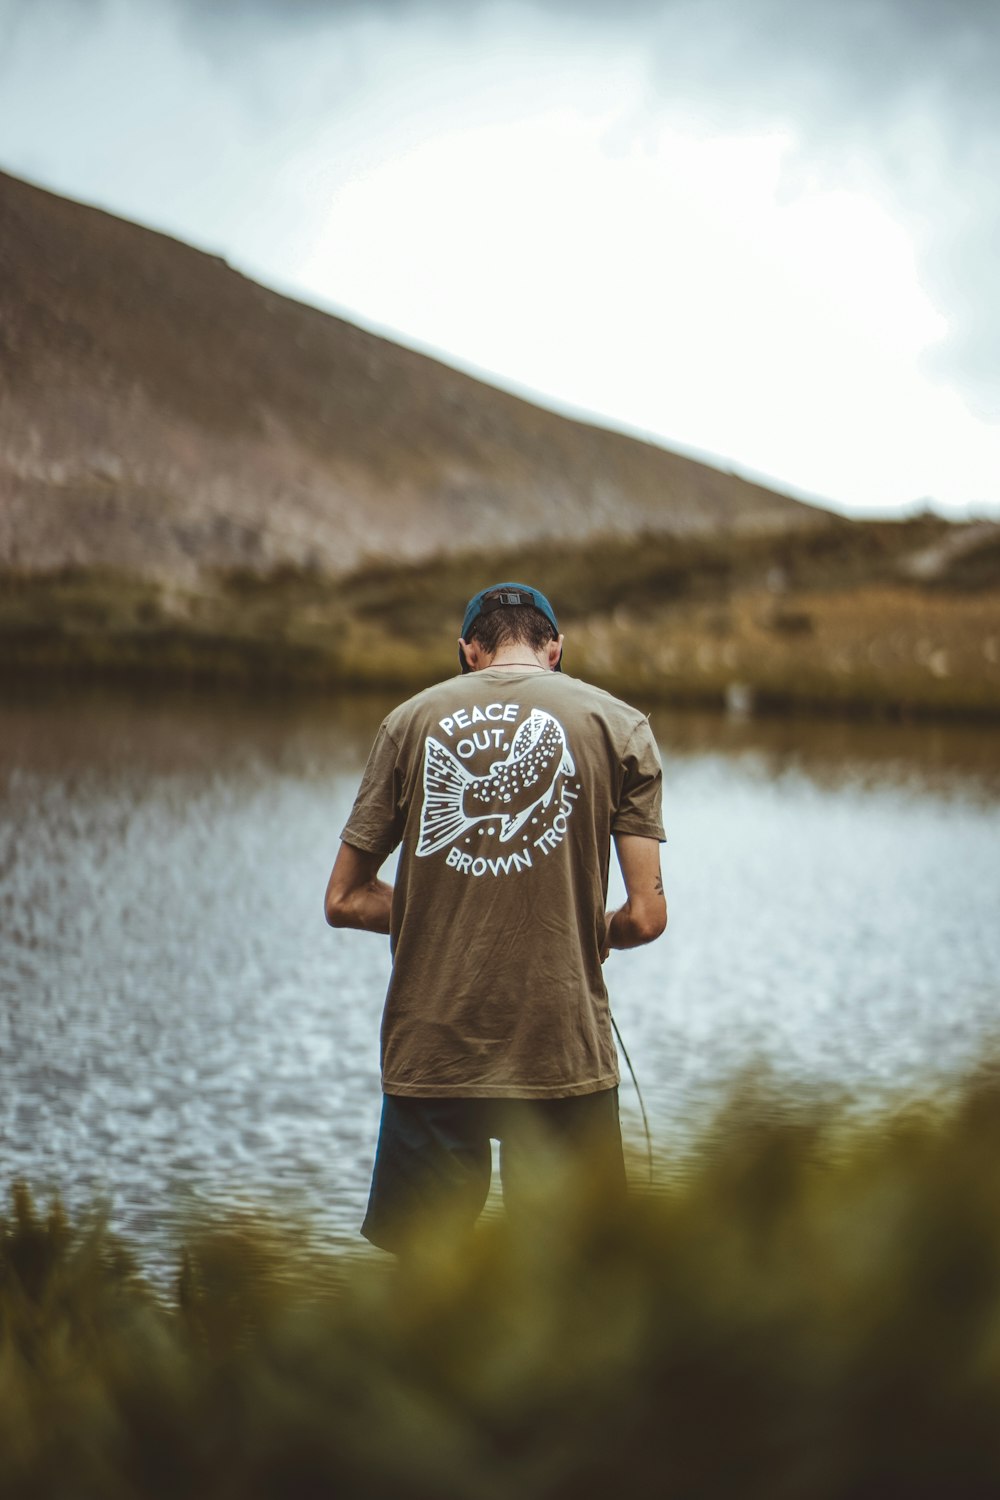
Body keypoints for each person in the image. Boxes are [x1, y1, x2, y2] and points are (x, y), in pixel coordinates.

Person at [324, 582, 666, 1251]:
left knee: (428, 1277)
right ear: (555, 650)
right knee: (567, 1277)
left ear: (468, 651)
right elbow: (646, 916)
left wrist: (439, 910)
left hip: (435, 1043)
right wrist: (585, 926)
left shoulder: (410, 721)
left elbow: (344, 898)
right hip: (561, 1047)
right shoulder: (622, 726)